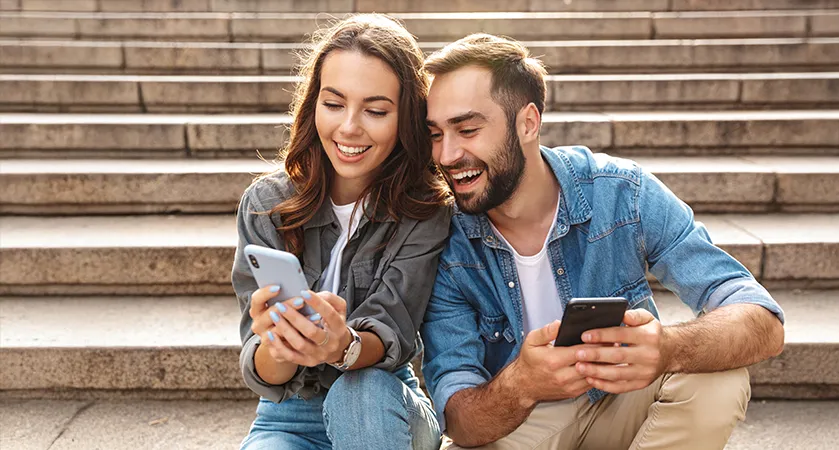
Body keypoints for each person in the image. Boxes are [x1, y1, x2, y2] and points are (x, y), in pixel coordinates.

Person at [420, 34, 786, 450]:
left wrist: (667, 347)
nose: (447, 155)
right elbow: (459, 420)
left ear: (528, 123)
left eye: (467, 129)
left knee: (719, 377)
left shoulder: (620, 192)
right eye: (435, 134)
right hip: (526, 421)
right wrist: (521, 383)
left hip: (624, 402)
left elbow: (762, 321)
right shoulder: (444, 241)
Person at [231, 14, 451, 450]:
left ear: (406, 117)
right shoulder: (265, 204)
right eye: (333, 104)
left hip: (384, 400)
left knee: (359, 391)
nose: (350, 126)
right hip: (291, 413)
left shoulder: (425, 213)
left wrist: (341, 346)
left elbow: (393, 332)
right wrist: (279, 347)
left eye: (375, 110)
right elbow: (260, 370)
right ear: (313, 105)